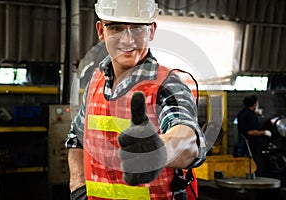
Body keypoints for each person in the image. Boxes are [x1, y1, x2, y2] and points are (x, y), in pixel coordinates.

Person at [65, 0, 207, 199]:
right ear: (100, 30)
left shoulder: (168, 85)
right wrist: (78, 185)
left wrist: (161, 150)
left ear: (151, 31)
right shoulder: (95, 81)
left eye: (137, 28)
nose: (127, 40)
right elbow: (75, 139)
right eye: (115, 27)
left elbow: (188, 138)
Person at [236, 94, 272, 176]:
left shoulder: (241, 113)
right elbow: (250, 132)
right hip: (252, 145)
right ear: (255, 104)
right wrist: (264, 132)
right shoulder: (250, 115)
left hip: (243, 144)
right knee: (257, 165)